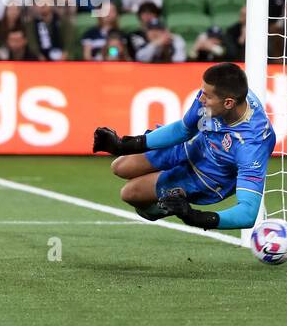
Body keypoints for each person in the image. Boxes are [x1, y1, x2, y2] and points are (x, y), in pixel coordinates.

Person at [94, 63, 276, 228]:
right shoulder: (217, 96)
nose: (201, 98)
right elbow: (183, 129)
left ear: (228, 103)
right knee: (119, 166)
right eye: (202, 91)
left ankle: (157, 210)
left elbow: (248, 213)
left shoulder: (253, 145)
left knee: (130, 193)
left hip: (207, 175)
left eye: (207, 96)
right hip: (193, 144)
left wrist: (193, 216)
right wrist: (124, 145)